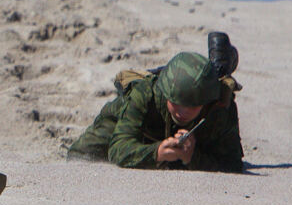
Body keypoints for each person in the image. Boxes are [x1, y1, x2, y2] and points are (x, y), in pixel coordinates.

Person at [68, 52, 244, 172]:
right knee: (81, 156)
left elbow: (233, 164)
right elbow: (118, 149)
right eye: (176, 102)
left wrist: (193, 158)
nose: (182, 112)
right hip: (134, 126)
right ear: (165, 94)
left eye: (192, 105)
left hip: (184, 141)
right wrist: (156, 152)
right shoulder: (145, 94)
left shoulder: (219, 107)